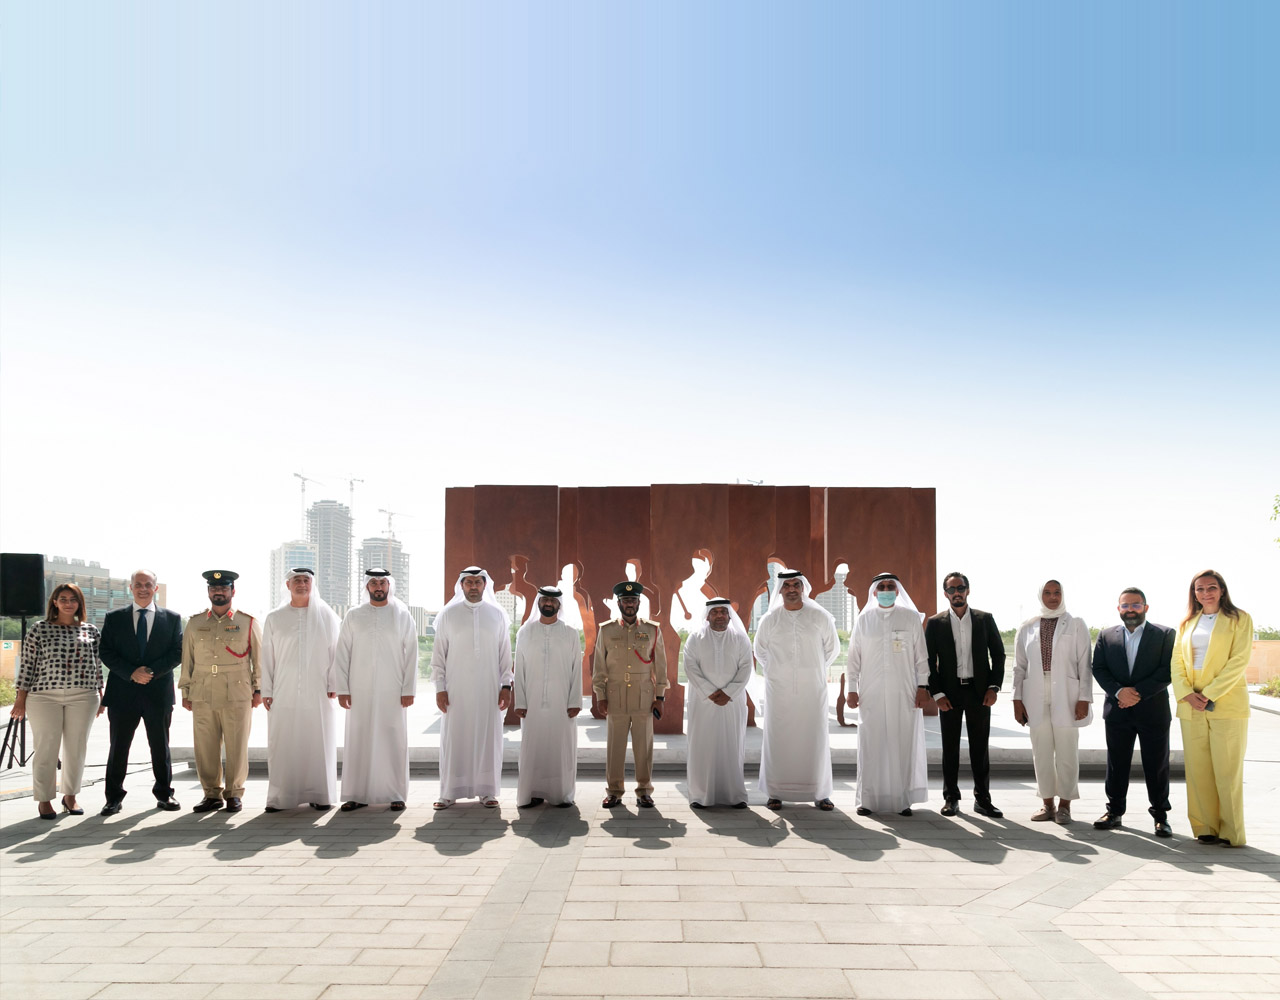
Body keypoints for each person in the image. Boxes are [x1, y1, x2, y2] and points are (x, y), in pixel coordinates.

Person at [1171, 570, 1254, 847]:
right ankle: (1205, 826)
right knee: (1198, 770)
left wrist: (1209, 694)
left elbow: (1239, 660)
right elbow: (1177, 663)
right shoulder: (1186, 623)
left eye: (1211, 587)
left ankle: (1231, 832)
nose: (1206, 593)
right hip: (1191, 704)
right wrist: (1186, 694)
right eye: (1200, 589)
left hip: (1226, 703)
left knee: (1227, 771)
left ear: (1222, 590)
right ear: (1193, 593)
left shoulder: (1239, 619)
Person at [10, 584, 102, 820]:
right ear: (54, 602)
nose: (68, 603)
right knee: (45, 748)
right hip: (43, 696)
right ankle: (44, 800)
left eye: (73, 599)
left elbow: (97, 666)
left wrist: (102, 695)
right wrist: (20, 699)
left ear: (80, 603)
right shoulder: (39, 629)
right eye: (63, 599)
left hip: (83, 695)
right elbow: (27, 665)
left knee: (76, 748)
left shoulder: (90, 630)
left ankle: (70, 796)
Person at [99, 569, 184, 815]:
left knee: (160, 746)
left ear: (155, 588)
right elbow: (106, 651)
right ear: (131, 587)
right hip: (122, 694)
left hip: (158, 693)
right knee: (118, 747)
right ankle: (113, 798)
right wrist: (131, 672)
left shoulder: (172, 618)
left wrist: (150, 672)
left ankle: (165, 794)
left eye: (148, 584)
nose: (143, 588)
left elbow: (177, 652)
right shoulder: (114, 618)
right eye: (138, 584)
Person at [1092, 587, 1176, 838]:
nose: (1130, 610)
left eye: (1135, 605)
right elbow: (1099, 668)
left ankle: (1160, 816)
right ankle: (1114, 812)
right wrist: (1120, 693)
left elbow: (1167, 670)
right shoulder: (1106, 635)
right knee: (1117, 764)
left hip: (1153, 710)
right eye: (1125, 605)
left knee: (1157, 764)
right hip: (1118, 710)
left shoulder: (1165, 634)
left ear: (1145, 608)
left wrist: (1136, 693)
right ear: (1119, 609)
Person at [846, 572, 931, 817]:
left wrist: (922, 687)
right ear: (874, 592)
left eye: (890, 586)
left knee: (901, 741)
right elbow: (853, 658)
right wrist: (852, 689)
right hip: (870, 691)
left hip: (904, 690)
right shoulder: (864, 619)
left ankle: (902, 799)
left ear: (897, 591)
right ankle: (867, 800)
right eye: (881, 586)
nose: (885, 589)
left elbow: (921, 656)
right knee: (871, 742)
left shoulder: (911, 618)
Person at [754, 570, 838, 811]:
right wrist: (777, 672)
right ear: (780, 589)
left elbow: (831, 651)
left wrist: (811, 670)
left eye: (796, 585)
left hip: (813, 689)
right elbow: (760, 651)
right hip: (778, 690)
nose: (791, 589)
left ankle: (820, 793)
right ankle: (775, 791)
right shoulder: (769, 619)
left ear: (803, 588)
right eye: (786, 585)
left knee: (815, 738)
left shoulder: (820, 616)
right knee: (778, 739)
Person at [335, 568, 419, 811]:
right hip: (358, 689)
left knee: (392, 738)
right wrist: (343, 688)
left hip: (393, 689)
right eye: (374, 583)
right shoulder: (353, 615)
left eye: (383, 582)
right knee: (358, 738)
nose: (379, 587)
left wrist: (408, 688)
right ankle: (356, 794)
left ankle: (395, 793)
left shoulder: (402, 615)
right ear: (367, 587)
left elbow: (411, 653)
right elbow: (342, 654)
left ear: (389, 585)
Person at [430, 566, 513, 810]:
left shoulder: (497, 615)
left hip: (489, 690)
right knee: (454, 739)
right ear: (462, 585)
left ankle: (487, 791)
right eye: (469, 582)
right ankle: (449, 792)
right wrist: (439, 688)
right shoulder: (448, 614)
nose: (473, 586)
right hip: (456, 690)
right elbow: (438, 656)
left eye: (478, 582)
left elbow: (505, 655)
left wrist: (506, 686)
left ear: (485, 585)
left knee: (488, 738)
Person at [924, 572, 1005, 818]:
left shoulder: (984, 619)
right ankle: (951, 798)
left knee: (980, 748)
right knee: (950, 748)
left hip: (979, 693)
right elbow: (928, 660)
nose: (956, 593)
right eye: (951, 589)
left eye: (961, 588)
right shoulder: (935, 623)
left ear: (968, 590)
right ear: (945, 593)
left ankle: (983, 799)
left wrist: (994, 687)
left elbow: (999, 655)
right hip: (949, 693)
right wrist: (936, 693)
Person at [180, 570, 262, 813]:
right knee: (205, 746)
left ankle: (234, 793)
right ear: (208, 592)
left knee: (237, 744)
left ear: (232, 592)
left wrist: (259, 689)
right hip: (203, 690)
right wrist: (185, 690)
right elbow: (188, 659)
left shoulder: (247, 622)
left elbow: (260, 660)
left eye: (224, 588)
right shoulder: (195, 623)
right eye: (214, 588)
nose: (219, 592)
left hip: (237, 691)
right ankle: (211, 794)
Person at [1012, 580, 1093, 824]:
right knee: (1041, 750)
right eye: (1047, 593)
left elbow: (1084, 664)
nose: (1052, 597)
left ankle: (1065, 805)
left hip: (1067, 693)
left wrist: (1084, 698)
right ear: (1040, 596)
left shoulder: (1076, 624)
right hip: (1035, 693)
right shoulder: (1027, 627)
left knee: (1067, 751)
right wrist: (1017, 698)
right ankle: (1047, 803)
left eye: (1057, 592)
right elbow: (1019, 666)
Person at [261, 567, 340, 812]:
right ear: (288, 585)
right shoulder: (275, 617)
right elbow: (267, 656)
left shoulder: (326, 615)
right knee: (283, 742)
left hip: (318, 690)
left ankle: (320, 794)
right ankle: (281, 797)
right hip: (283, 690)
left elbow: (336, 652)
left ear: (312, 584)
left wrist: (333, 683)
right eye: (297, 580)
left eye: (306, 580)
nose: (302, 584)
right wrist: (267, 690)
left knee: (317, 741)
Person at [592, 580, 668, 808]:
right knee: (615, 746)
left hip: (643, 697)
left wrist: (660, 697)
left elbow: (661, 666)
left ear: (639, 603)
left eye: (633, 600)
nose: (629, 604)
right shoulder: (606, 630)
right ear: (619, 603)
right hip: (615, 696)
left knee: (643, 746)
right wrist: (600, 695)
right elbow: (599, 666)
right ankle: (614, 790)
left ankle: (644, 790)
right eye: (625, 600)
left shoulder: (652, 630)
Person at [513, 585, 581, 808]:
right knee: (533, 748)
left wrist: (574, 701)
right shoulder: (525, 632)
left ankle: (560, 794)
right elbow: (519, 668)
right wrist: (520, 701)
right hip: (532, 703)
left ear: (559, 605)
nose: (548, 604)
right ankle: (532, 792)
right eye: (544, 601)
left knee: (560, 748)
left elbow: (576, 669)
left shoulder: (570, 633)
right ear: (539, 603)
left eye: (553, 602)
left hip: (562, 703)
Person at [683, 597, 753, 809]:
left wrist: (729, 692)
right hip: (703, 702)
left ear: (729, 614)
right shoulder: (695, 638)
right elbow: (690, 667)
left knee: (732, 745)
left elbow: (746, 668)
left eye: (724, 612)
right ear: (708, 615)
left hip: (732, 702)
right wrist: (710, 692)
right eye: (715, 612)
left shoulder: (741, 639)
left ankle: (735, 796)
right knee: (702, 746)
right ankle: (700, 795)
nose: (720, 616)